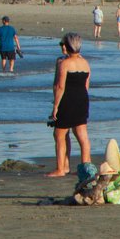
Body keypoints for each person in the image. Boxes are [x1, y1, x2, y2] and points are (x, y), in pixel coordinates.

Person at [47, 33, 92, 177]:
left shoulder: (65, 63)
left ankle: (61, 168)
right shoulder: (85, 63)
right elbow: (86, 85)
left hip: (68, 100)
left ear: (67, 46)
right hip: (82, 99)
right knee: (82, 136)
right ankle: (86, 167)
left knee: (59, 134)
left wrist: (55, 107)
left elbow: (60, 86)